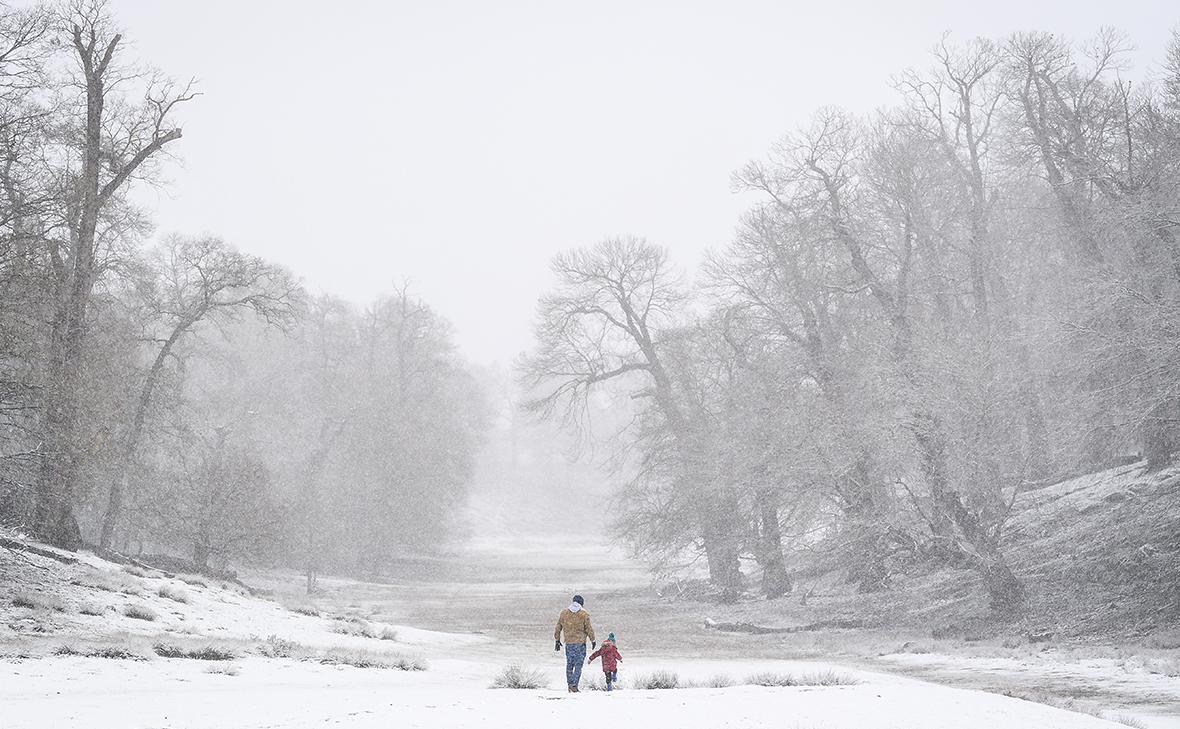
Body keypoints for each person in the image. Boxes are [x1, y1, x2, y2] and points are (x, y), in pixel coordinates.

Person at [553, 594, 596, 692]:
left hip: (569, 644)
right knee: (578, 665)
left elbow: (558, 627)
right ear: (581, 603)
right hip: (580, 644)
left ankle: (570, 685)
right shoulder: (584, 614)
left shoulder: (564, 613)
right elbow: (589, 629)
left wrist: (557, 640)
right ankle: (574, 685)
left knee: (569, 665)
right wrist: (593, 640)